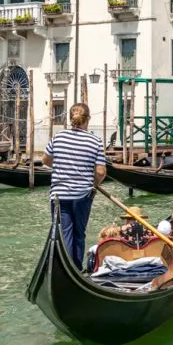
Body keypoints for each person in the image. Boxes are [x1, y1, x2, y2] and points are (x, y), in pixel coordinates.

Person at [43, 103, 107, 270]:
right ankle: (76, 269)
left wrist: (62, 167)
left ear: (70, 119)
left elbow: (46, 161)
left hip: (59, 195)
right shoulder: (95, 141)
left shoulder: (58, 137)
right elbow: (101, 172)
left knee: (64, 235)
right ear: (88, 120)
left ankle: (66, 269)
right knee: (79, 234)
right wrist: (93, 185)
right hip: (83, 194)